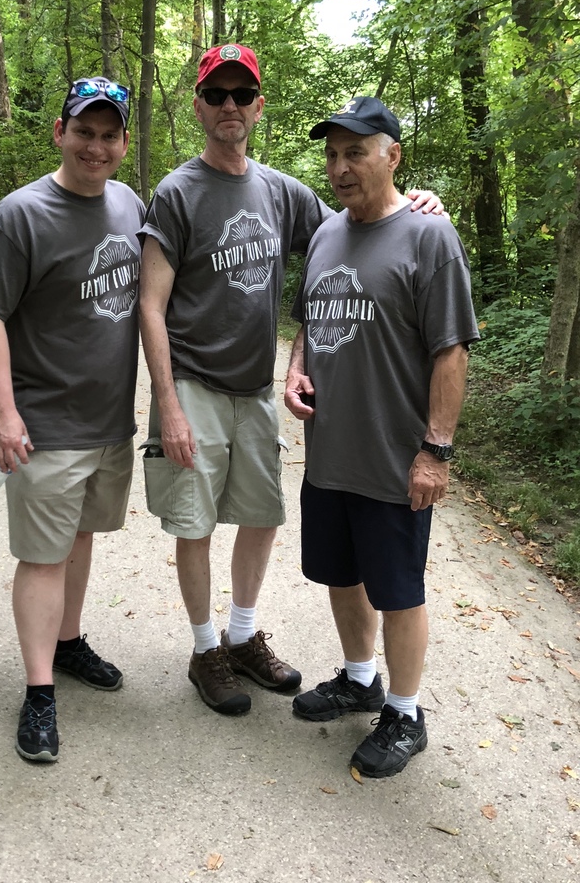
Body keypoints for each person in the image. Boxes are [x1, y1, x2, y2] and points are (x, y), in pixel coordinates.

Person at [138, 45, 444, 716]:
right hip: (190, 383)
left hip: (253, 390)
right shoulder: (176, 192)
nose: (227, 107)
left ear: (257, 106)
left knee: (259, 516)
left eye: (239, 95)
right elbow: (150, 305)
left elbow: (354, 237)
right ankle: (204, 649)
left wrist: (420, 201)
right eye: (214, 95)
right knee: (195, 524)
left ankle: (244, 637)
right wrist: (168, 406)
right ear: (198, 106)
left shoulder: (283, 192)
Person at [284, 95, 479, 777]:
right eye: (333, 153)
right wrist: (296, 369)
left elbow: (451, 350)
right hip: (330, 453)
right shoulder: (326, 235)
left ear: (391, 156)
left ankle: (405, 710)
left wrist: (436, 450)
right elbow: (310, 317)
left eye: (356, 152)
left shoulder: (429, 235)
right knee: (341, 575)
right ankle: (360, 677)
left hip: (398, 460)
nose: (341, 167)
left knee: (398, 589)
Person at [0, 77, 146, 762]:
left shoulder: (129, 204)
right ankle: (39, 693)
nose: (95, 146)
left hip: (108, 424)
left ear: (124, 142)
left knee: (81, 539)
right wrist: (3, 412)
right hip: (45, 424)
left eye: (109, 134)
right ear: (59, 132)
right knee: (42, 557)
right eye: (84, 131)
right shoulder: (21, 215)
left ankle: (68, 645)